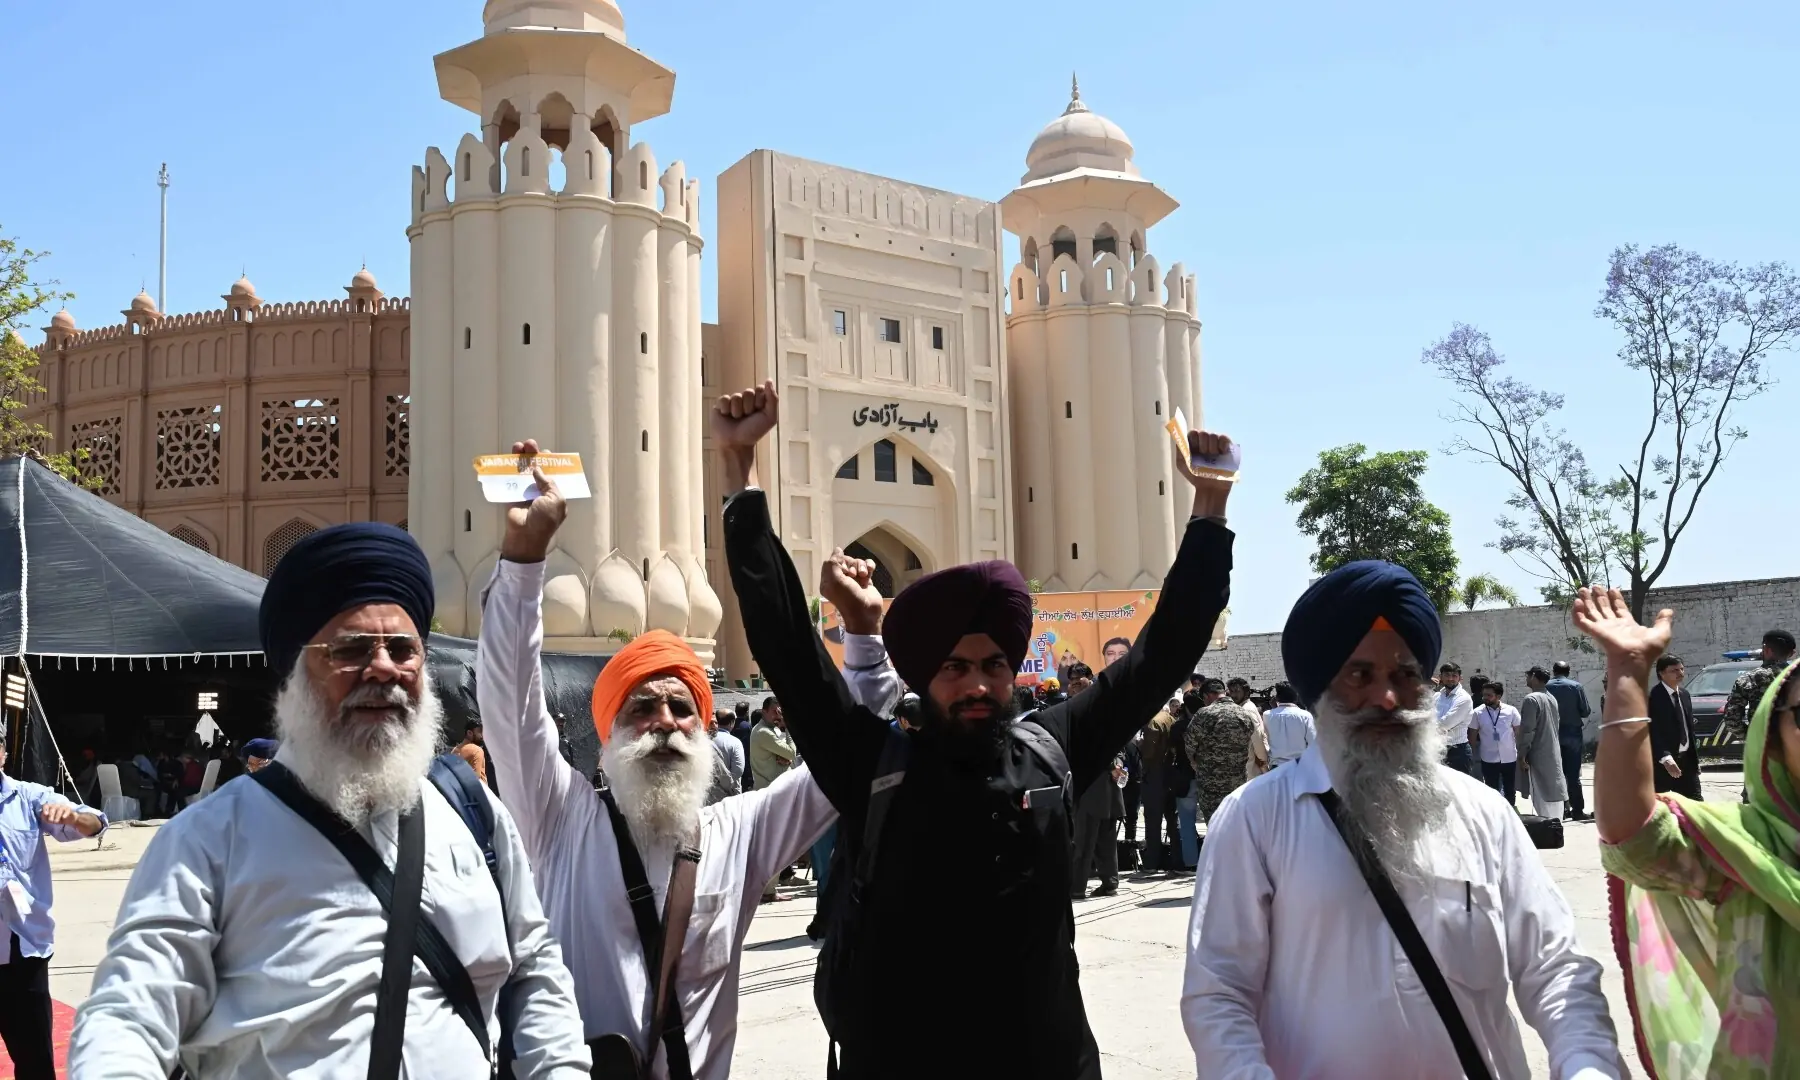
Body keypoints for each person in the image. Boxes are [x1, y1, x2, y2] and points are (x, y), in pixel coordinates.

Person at [715, 379, 1233, 1079]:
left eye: (993, 666)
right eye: (955, 668)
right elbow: (787, 648)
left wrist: (1209, 509)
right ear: (924, 678)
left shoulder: (1049, 751)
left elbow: (1160, 656)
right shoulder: (874, 766)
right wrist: (740, 473)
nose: (978, 685)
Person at [71, 522, 590, 1079]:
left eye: (403, 649)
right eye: (352, 649)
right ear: (294, 675)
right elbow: (130, 1015)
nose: (384, 668)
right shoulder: (210, 839)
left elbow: (534, 969)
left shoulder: (471, 813)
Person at [475, 443, 898, 1076]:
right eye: (642, 708)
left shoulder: (740, 834)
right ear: (608, 734)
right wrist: (524, 559)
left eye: (681, 708)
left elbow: (848, 756)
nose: (665, 723)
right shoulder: (559, 816)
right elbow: (510, 700)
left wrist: (864, 638)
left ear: (703, 728)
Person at [1183, 561, 1623, 1079]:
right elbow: (1219, 995)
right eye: (1360, 675)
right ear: (1321, 689)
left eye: (1406, 675)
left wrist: (1587, 1067)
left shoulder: (1482, 812)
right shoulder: (1255, 819)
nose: (1387, 698)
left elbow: (1555, 968)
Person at [1581, 587, 1800, 1077]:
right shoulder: (1746, 848)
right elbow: (1637, 837)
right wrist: (1627, 673)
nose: (1680, 675)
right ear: (1772, 740)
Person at [0, 740, 105, 1080]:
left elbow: (94, 823)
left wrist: (73, 817)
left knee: (34, 1061)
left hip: (23, 948)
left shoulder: (29, 797)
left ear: (3, 753)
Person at [1066, 667, 1122, 899]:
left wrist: (1116, 765)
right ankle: (1108, 883)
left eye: (1078, 680)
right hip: (1098, 782)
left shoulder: (1093, 708)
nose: (1074, 684)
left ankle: (1079, 887)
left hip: (1093, 784)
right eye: (1071, 681)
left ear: (1090, 679)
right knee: (1094, 839)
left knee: (1087, 839)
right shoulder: (1097, 706)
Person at [1185, 678, 1259, 843]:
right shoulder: (1244, 713)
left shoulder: (1204, 714)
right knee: (1236, 828)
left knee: (1216, 830)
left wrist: (1195, 762)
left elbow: (1189, 744)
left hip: (1211, 785)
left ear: (1208, 696)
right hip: (1237, 783)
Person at [1720, 628, 1797, 744]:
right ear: (1792, 653)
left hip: (1764, 747)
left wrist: (1752, 737)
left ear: (1766, 649)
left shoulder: (1749, 679)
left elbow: (1732, 720)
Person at [1648, 654, 1703, 800]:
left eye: (1682, 669)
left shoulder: (1685, 695)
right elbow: (1652, 731)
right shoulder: (1653, 697)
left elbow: (1689, 729)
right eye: (1674, 670)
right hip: (1663, 764)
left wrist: (1695, 760)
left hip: (1686, 762)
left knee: (1696, 804)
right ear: (1662, 673)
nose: (1680, 673)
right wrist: (1665, 757)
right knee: (1658, 806)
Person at [1136, 699, 1181, 874]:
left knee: (1153, 820)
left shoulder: (1153, 722)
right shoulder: (1170, 718)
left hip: (1155, 774)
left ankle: (1152, 862)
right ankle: (1177, 860)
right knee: (1172, 820)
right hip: (1171, 773)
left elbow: (1149, 752)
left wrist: (1140, 745)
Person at [1545, 660, 1594, 820]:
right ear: (1568, 671)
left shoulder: (1545, 687)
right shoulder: (1576, 686)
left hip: (1552, 734)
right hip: (1572, 734)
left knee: (1556, 774)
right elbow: (1585, 711)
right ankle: (1577, 811)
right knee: (1573, 775)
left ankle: (1561, 811)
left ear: (1554, 671)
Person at [1518, 667, 1568, 820]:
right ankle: (1555, 826)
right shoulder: (1551, 697)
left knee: (1542, 794)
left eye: (1527, 675)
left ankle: (1549, 827)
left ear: (1533, 676)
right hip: (1552, 751)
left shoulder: (1531, 699)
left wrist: (1522, 755)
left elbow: (1528, 730)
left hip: (1538, 754)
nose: (1526, 679)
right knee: (1553, 789)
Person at [1474, 681, 1521, 804]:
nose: (1485, 698)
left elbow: (1518, 732)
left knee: (1510, 789)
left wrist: (1523, 754)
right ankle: (1494, 813)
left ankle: (1510, 811)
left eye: (1489, 695)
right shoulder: (1478, 712)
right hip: (1488, 758)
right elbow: (1472, 735)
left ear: (1498, 696)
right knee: (1491, 790)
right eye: (1484, 695)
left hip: (1509, 757)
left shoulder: (1511, 711)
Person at [1261, 681, 1316, 768]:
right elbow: (1313, 742)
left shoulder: (1266, 715)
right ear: (1296, 697)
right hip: (1299, 765)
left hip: (1276, 767)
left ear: (1277, 697)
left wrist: (1274, 708)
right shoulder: (1305, 715)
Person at [1435, 662, 1476, 775]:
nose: (1450, 679)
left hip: (1457, 751)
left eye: (1454, 676)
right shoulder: (1437, 696)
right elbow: (1428, 716)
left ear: (1460, 678)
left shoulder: (1464, 698)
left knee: (1459, 786)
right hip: (1437, 749)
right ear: (1440, 677)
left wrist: (1424, 727)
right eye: (1447, 675)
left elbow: (1445, 724)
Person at [711, 707, 747, 788]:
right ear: (732, 723)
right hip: (730, 790)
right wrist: (726, 783)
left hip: (709, 789)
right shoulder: (735, 742)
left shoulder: (707, 738)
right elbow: (738, 770)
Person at [456, 719, 490, 785]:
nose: (483, 735)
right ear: (469, 733)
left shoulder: (455, 750)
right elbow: (475, 780)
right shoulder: (477, 750)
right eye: (480, 731)